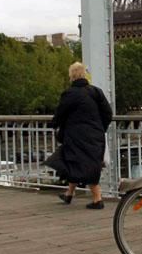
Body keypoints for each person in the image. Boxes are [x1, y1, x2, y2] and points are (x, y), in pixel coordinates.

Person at [46, 62, 113, 209]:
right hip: (96, 135)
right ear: (84, 74)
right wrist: (100, 128)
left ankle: (97, 199)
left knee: (77, 163)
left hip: (76, 137)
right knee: (82, 164)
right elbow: (108, 113)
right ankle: (69, 194)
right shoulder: (96, 92)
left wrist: (53, 125)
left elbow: (60, 114)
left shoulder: (69, 94)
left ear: (71, 76)